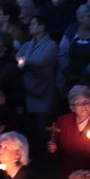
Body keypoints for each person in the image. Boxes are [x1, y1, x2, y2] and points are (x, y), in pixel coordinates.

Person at [48, 85, 90, 178]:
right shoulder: (63, 121)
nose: (83, 106)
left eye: (86, 101)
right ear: (72, 107)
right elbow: (56, 150)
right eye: (78, 103)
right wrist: (53, 150)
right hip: (68, 174)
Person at [16, 15, 58, 147]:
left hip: (42, 89)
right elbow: (16, 58)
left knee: (41, 124)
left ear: (41, 27)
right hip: (26, 89)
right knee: (27, 125)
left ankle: (43, 154)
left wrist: (24, 62)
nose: (30, 26)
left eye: (33, 24)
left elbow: (41, 61)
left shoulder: (51, 45)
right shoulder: (27, 44)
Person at [58, 5, 90, 95]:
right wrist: (66, 70)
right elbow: (62, 52)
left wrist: (86, 73)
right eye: (89, 16)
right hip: (68, 76)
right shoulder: (71, 30)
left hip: (89, 78)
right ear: (80, 18)